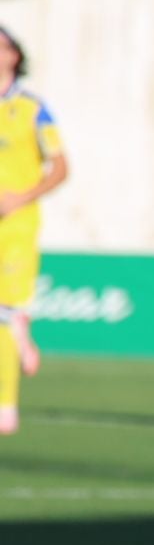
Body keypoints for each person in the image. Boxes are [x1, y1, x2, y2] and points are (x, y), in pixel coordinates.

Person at [0, 25, 69, 436]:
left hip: (15, 229)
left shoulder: (32, 109)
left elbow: (61, 167)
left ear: (15, 56)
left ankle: (5, 405)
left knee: (2, 313)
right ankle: (23, 332)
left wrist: (20, 198)